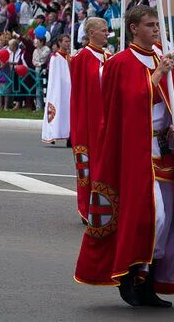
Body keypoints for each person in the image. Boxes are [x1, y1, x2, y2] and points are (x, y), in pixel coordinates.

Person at [74, 5, 174, 307]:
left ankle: (149, 282)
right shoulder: (119, 63)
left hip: (162, 152)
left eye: (156, 25)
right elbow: (124, 107)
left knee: (168, 218)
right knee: (150, 217)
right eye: (149, 25)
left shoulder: (163, 60)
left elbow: (172, 105)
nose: (155, 30)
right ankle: (128, 276)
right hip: (134, 155)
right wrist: (156, 76)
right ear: (134, 28)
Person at [69, 18, 111, 223]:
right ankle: (87, 209)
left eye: (107, 30)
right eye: (103, 31)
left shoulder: (109, 56)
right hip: (88, 121)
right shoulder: (81, 58)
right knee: (87, 167)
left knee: (105, 167)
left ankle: (107, 207)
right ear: (91, 33)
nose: (107, 34)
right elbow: (80, 94)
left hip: (107, 119)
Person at [42, 34, 72, 146]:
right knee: (56, 111)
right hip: (58, 90)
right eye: (65, 41)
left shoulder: (69, 57)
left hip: (68, 89)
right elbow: (55, 77)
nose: (67, 43)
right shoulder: (55, 57)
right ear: (60, 43)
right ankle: (52, 134)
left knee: (68, 113)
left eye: (69, 41)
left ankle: (69, 136)